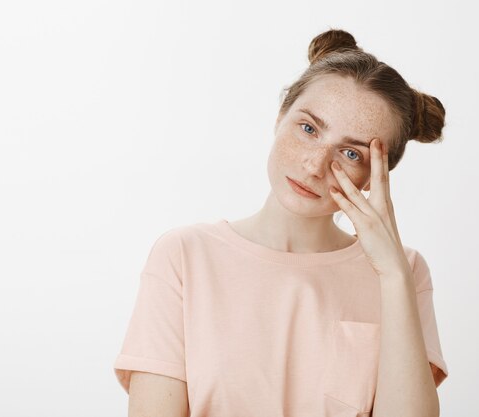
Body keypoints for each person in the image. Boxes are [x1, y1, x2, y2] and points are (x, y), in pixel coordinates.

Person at [113, 28, 449, 417]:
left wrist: (392, 276)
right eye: (308, 129)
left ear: (375, 176)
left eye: (350, 153)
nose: (314, 165)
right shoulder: (185, 256)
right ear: (279, 118)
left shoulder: (405, 272)